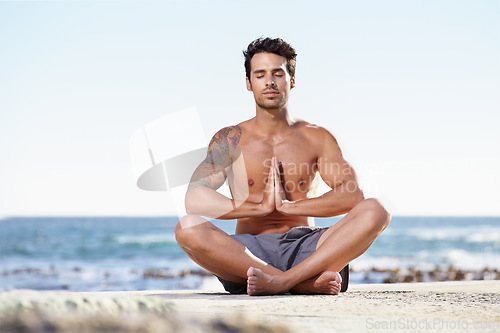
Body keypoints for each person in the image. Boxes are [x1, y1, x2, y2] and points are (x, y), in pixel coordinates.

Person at [175, 37, 390, 296]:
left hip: (307, 247)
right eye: (260, 74)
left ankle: (280, 282)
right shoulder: (230, 139)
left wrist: (290, 206)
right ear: (248, 83)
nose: (269, 82)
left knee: (377, 210)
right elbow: (194, 199)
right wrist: (259, 207)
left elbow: (352, 196)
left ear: (292, 80)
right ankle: (302, 283)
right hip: (247, 255)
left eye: (278, 73)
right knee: (186, 227)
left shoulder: (317, 137)